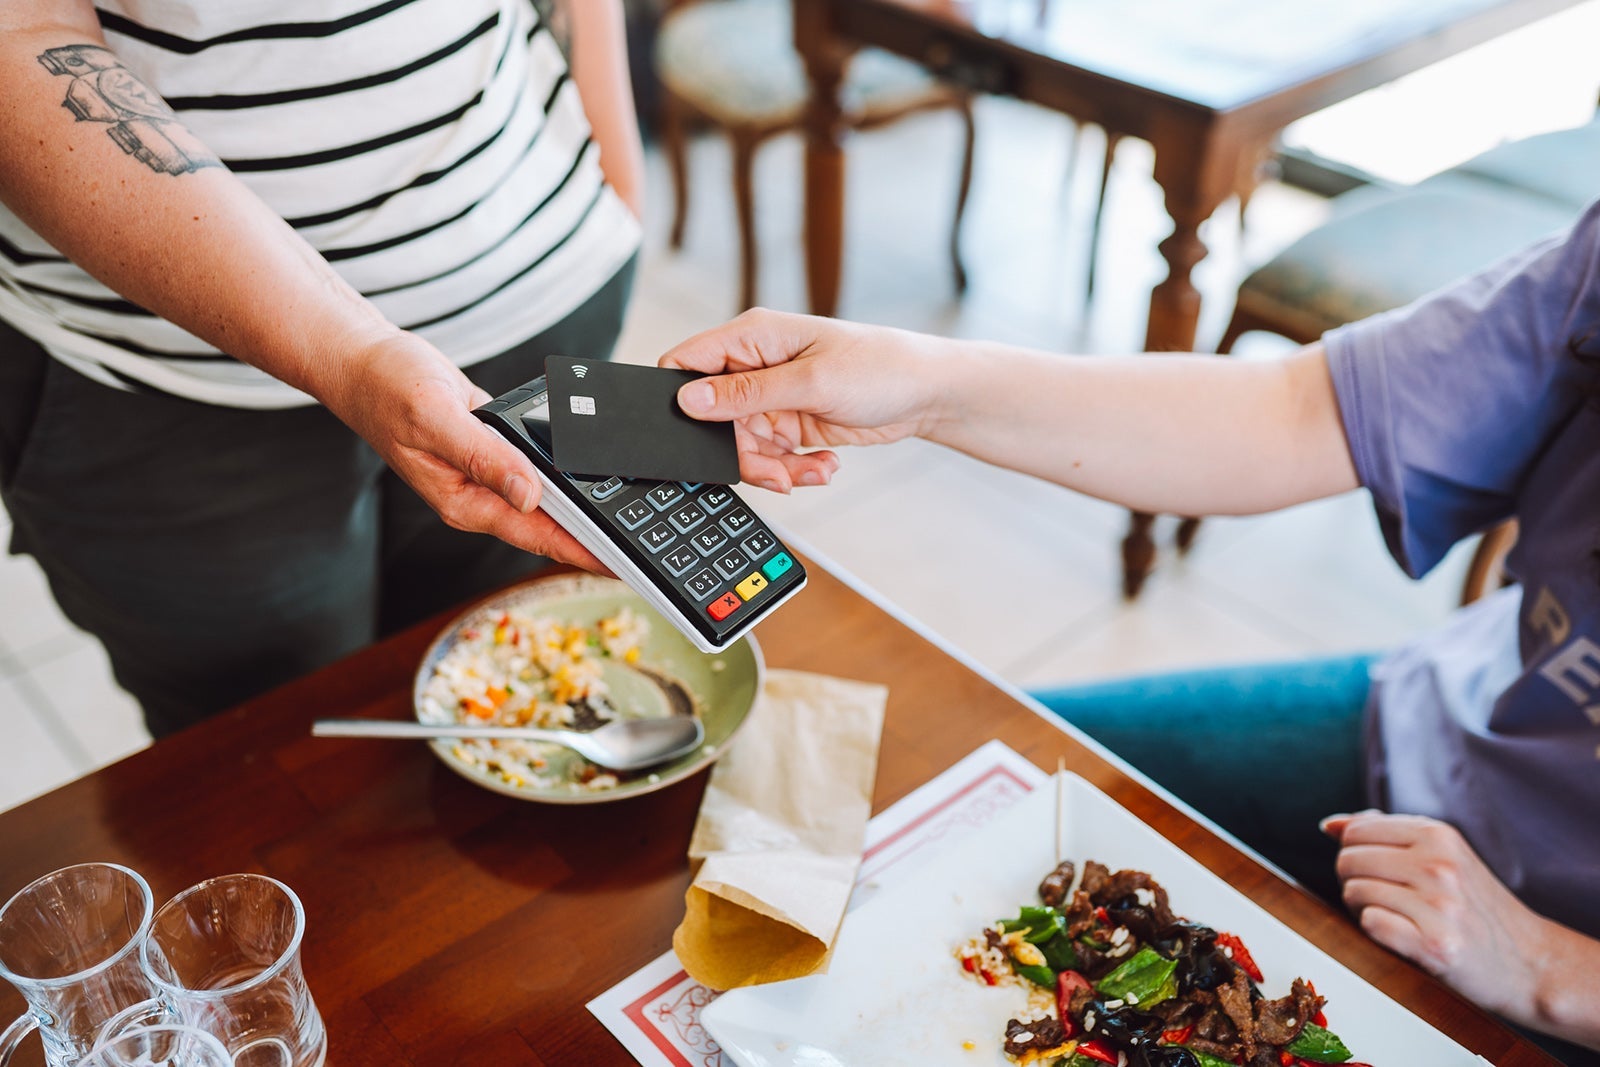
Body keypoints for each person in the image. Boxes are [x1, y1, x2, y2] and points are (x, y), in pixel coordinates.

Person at [656, 201, 1600, 1060]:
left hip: (1555, 963)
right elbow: (1297, 413)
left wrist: (1550, 970)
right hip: (1440, 723)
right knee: (945, 765)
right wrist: (924, 384)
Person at [0, 0, 641, 737]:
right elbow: (19, 35)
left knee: (509, 693)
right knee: (266, 754)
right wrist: (355, 351)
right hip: (160, 381)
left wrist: (612, 179)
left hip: (534, 294)